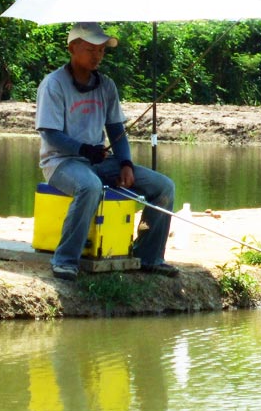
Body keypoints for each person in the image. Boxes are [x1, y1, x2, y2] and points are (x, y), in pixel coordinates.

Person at [35, 22, 179, 281]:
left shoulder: (106, 85)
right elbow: (50, 134)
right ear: (72, 48)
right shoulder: (53, 84)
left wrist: (125, 162)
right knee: (89, 186)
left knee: (163, 187)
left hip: (98, 160)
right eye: (90, 49)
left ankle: (149, 255)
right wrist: (83, 149)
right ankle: (65, 260)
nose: (97, 55)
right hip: (60, 163)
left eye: (101, 50)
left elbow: (116, 130)